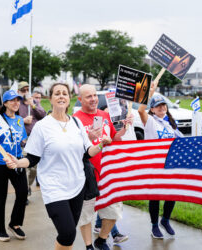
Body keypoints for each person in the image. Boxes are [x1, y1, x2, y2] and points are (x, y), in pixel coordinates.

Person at [4, 83, 112, 250]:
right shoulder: (42, 126)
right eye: (57, 93)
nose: (61, 96)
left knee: (68, 237)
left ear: (69, 99)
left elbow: (86, 152)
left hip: (77, 186)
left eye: (65, 93)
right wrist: (17, 162)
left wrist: (101, 145)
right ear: (51, 99)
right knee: (68, 232)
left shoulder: (76, 123)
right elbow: (32, 158)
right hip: (54, 188)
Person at [74, 84, 132, 250]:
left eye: (94, 95)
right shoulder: (75, 120)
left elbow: (114, 138)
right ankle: (88, 245)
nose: (93, 99)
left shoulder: (105, 115)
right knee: (86, 214)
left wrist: (124, 129)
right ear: (80, 99)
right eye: (88, 96)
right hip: (86, 174)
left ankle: (102, 239)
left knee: (114, 210)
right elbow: (72, 146)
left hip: (108, 172)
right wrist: (88, 136)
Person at [137, 82, 183, 239]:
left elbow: (181, 141)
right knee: (155, 196)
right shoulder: (150, 121)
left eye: (163, 105)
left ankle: (165, 220)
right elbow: (140, 110)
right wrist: (150, 93)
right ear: (152, 109)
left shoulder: (170, 123)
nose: (162, 108)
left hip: (170, 164)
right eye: (158, 106)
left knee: (172, 193)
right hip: (155, 165)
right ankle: (154, 225)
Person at [0, 90, 28, 242]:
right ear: (5, 103)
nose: (16, 103)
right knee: (0, 196)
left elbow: (22, 140)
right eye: (12, 100)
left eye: (18, 100)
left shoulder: (19, 120)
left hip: (16, 162)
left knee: (23, 192)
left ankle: (14, 223)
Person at [17, 82, 46, 201]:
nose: (25, 92)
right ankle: (24, 191)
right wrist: (23, 121)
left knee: (34, 168)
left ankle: (28, 185)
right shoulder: (17, 104)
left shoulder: (34, 102)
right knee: (25, 168)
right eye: (23, 90)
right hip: (23, 140)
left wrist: (32, 105)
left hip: (35, 140)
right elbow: (11, 120)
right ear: (19, 92)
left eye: (27, 89)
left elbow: (43, 115)